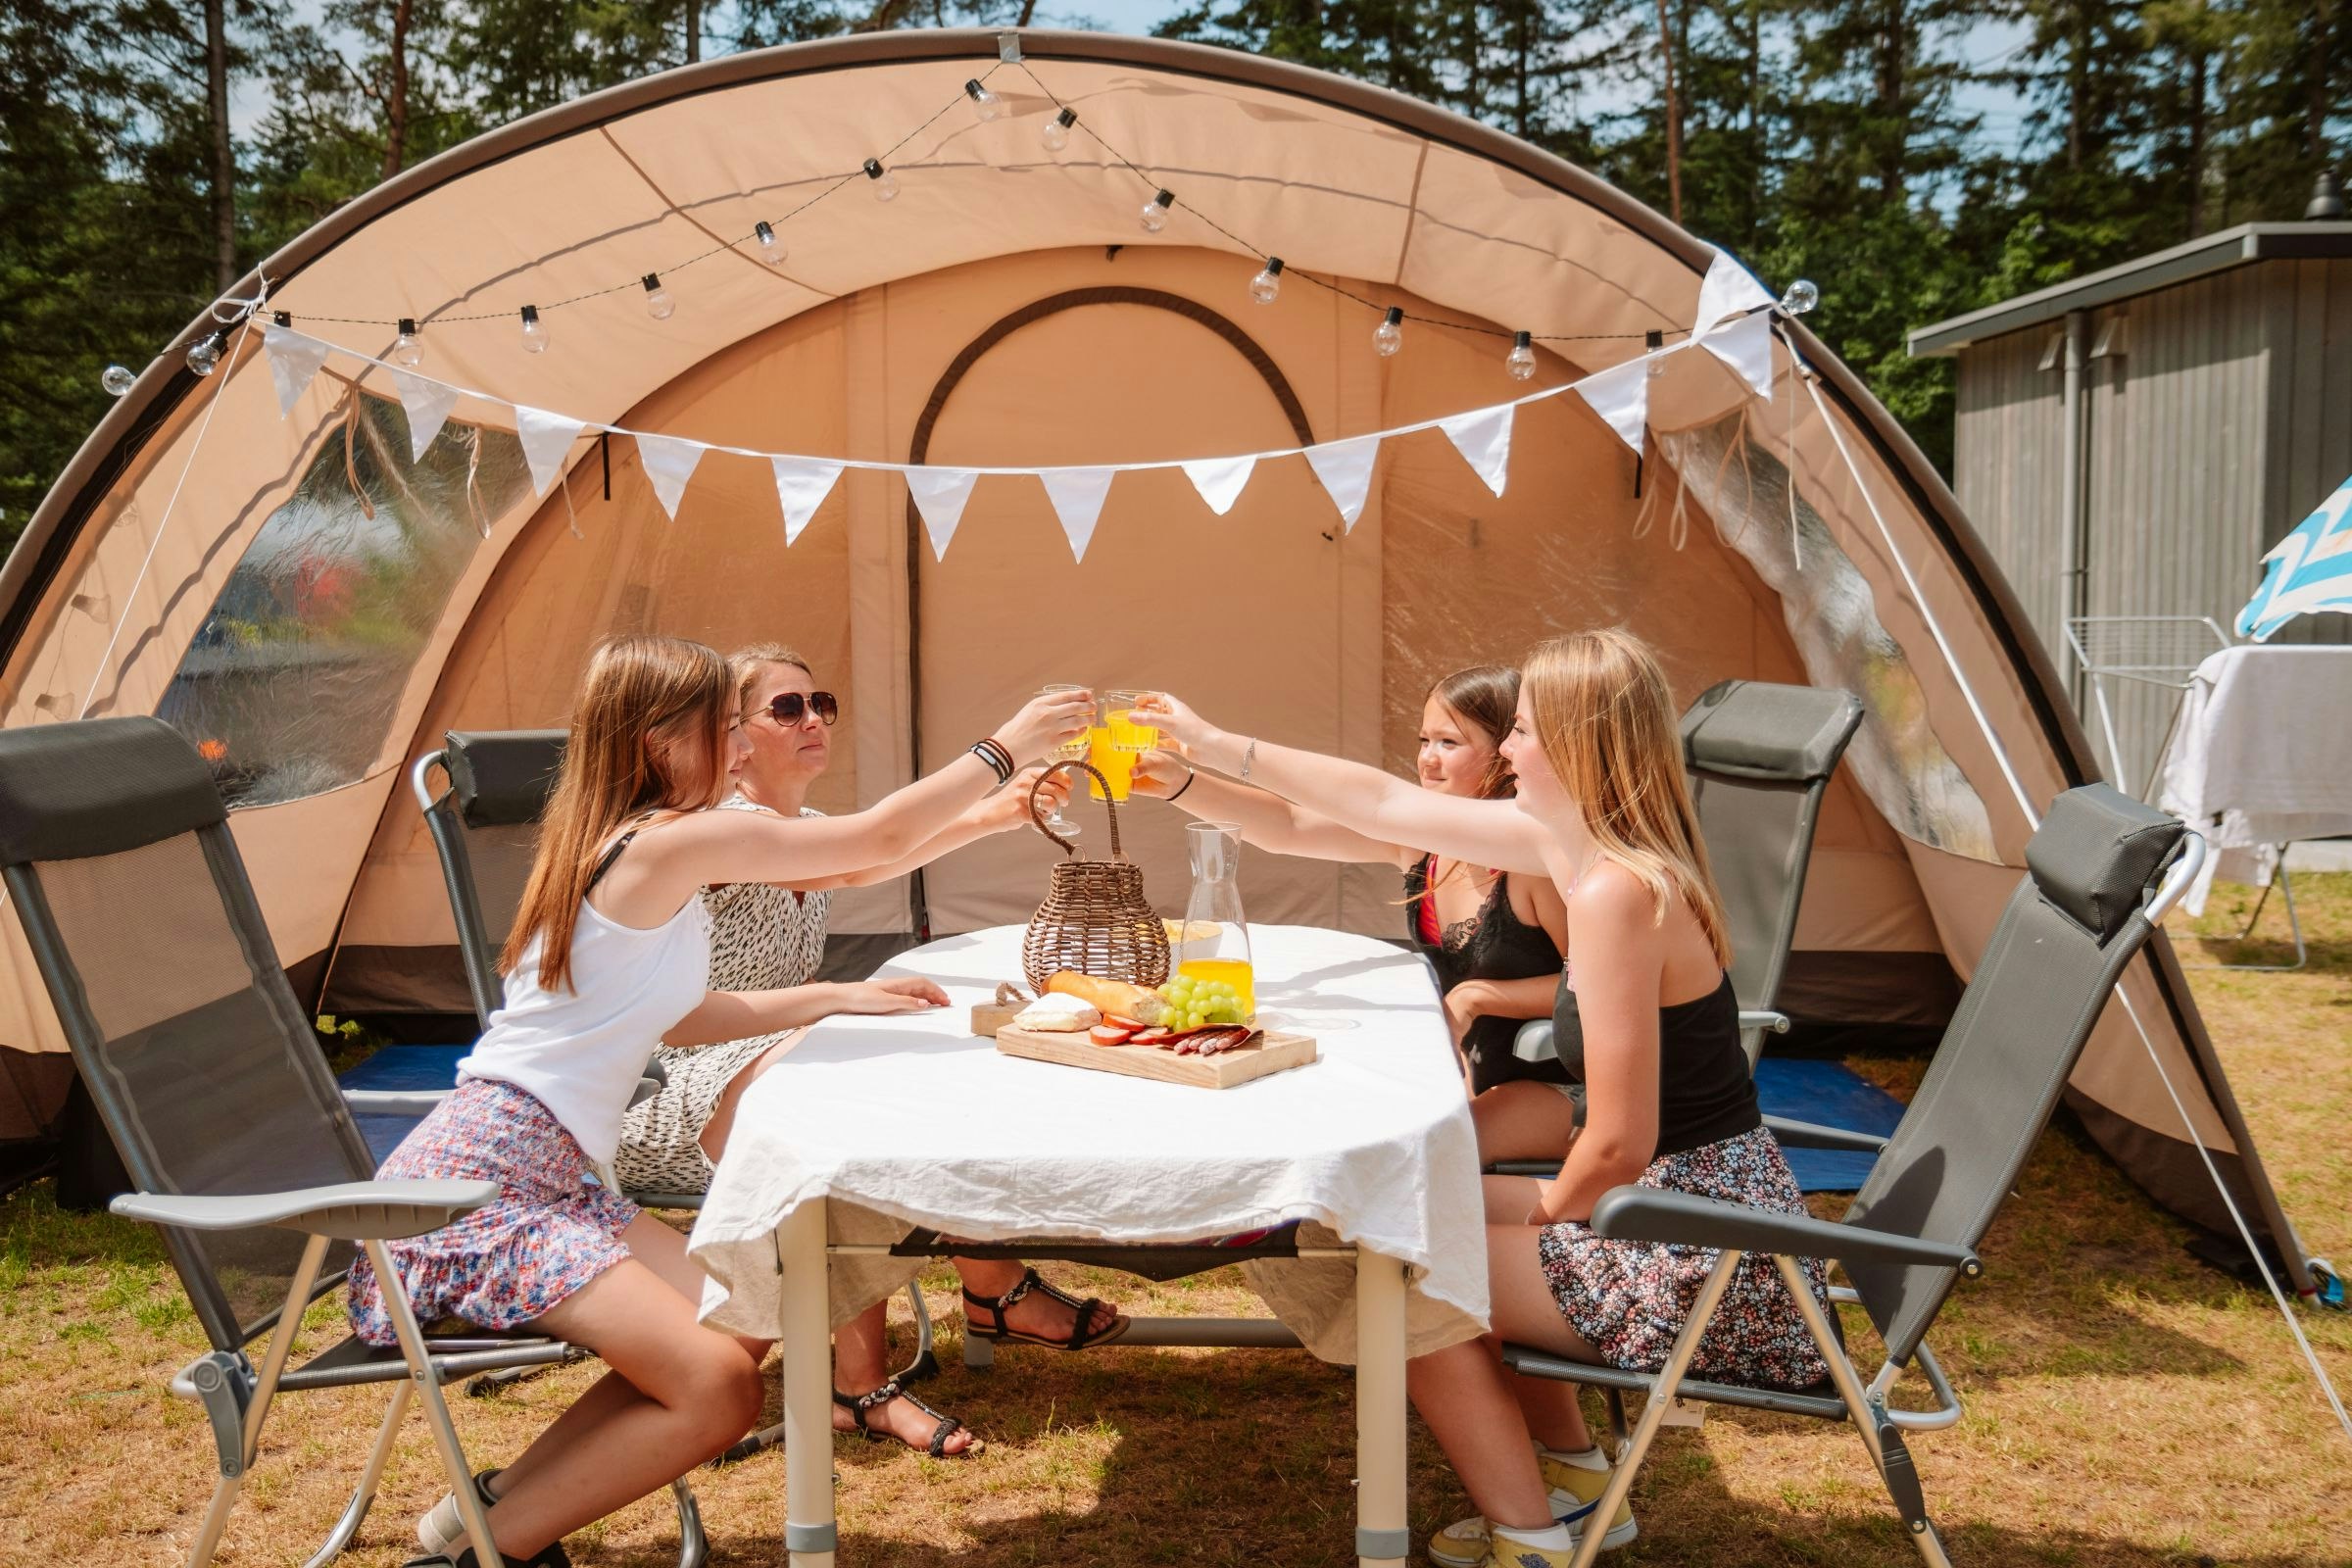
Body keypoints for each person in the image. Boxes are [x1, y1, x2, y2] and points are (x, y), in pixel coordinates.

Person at [348, 635, 1094, 1568]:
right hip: (483, 1180)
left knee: (743, 1325)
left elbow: (679, 1014)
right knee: (717, 1392)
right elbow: (875, 842)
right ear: (662, 741)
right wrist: (1005, 746)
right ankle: (481, 1557)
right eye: (724, 731)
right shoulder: (673, 839)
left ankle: (491, 1512)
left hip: (549, 1173)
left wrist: (833, 994)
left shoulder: (636, 844)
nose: (743, 751)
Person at [1132, 629, 1828, 1568]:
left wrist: (1528, 1226)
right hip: (1681, 1207)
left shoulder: (1618, 891)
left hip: (1708, 1250)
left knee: (1406, 1276)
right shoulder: (1575, 847)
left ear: (1579, 747)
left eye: (1526, 733)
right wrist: (1206, 751)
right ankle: (1572, 1482)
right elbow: (1376, 800)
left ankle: (1533, 1537)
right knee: (1379, 1219)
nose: (1505, 752)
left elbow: (1619, 1141)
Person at [613, 644, 1129, 1455]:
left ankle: (900, 1355)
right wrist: (1005, 750)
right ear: (732, 735)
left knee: (880, 1072)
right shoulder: (722, 828)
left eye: (820, 702)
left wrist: (998, 812)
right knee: (859, 1091)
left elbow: (871, 856)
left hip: (770, 1052)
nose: (812, 719)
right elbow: (877, 840)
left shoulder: (797, 829)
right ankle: (974, 1296)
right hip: (698, 1083)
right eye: (786, 708)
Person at [1128, 666, 1571, 1137]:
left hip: (1554, 1086)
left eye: (1449, 743)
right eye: (1424, 741)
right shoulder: (1425, 845)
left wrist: (1478, 997)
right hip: (1458, 1075)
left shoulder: (1534, 865)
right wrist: (1181, 784)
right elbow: (1289, 826)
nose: (1427, 760)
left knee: (1419, 1154)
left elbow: (1600, 985)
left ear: (1505, 751)